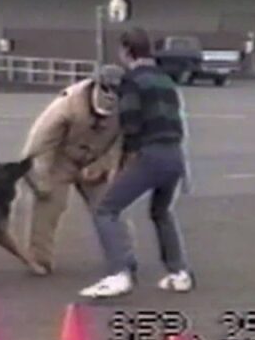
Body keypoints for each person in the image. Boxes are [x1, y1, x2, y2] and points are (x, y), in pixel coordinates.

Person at [79, 27, 195, 298]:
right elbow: (177, 120)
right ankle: (178, 273)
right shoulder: (166, 80)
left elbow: (130, 124)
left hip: (150, 154)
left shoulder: (132, 81)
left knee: (106, 210)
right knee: (161, 212)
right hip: (174, 154)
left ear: (125, 51)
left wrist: (121, 164)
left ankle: (119, 273)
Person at [16, 64, 132, 274]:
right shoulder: (68, 104)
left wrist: (103, 165)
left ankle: (124, 257)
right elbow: (40, 143)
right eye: (107, 89)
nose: (112, 95)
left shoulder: (128, 108)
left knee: (109, 207)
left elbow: (122, 143)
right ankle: (40, 259)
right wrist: (39, 179)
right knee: (48, 207)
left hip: (95, 160)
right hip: (61, 158)